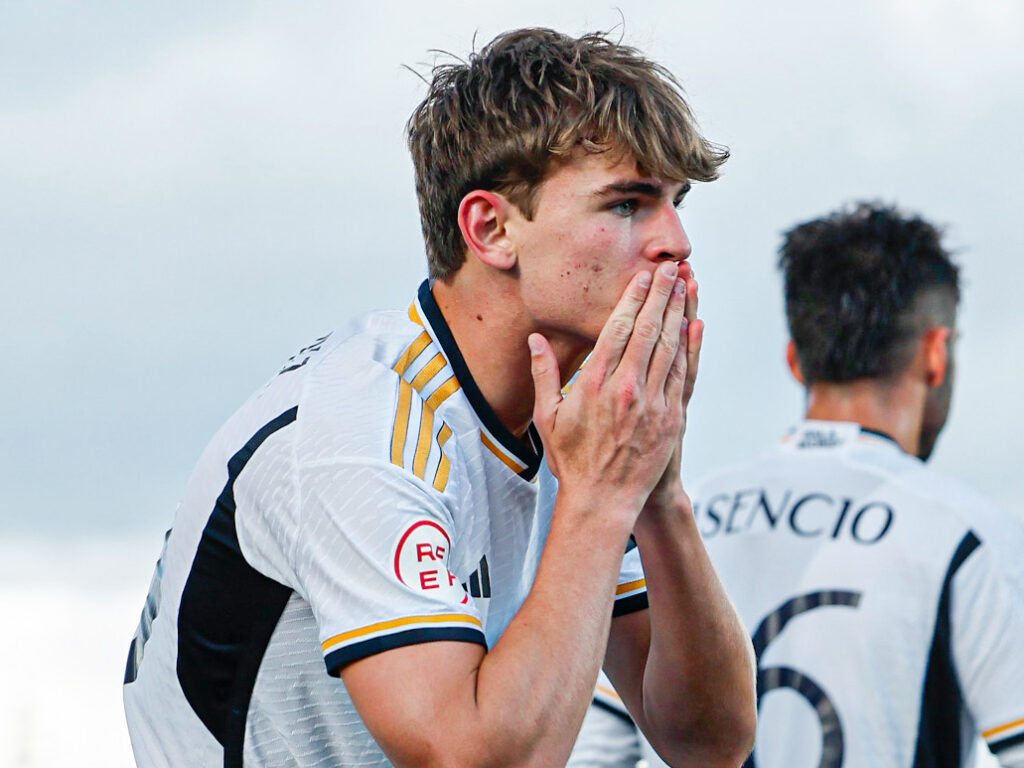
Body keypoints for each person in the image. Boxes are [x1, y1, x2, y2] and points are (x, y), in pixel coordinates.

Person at [122, 28, 756, 768]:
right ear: (490, 229)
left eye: (676, 204)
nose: (675, 241)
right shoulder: (362, 426)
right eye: (626, 205)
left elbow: (710, 742)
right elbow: (471, 759)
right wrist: (601, 497)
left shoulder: (583, 425)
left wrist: (660, 496)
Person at [574, 202, 1024, 768]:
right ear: (935, 354)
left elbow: (594, 754)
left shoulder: (677, 517)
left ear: (795, 360)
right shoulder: (970, 535)